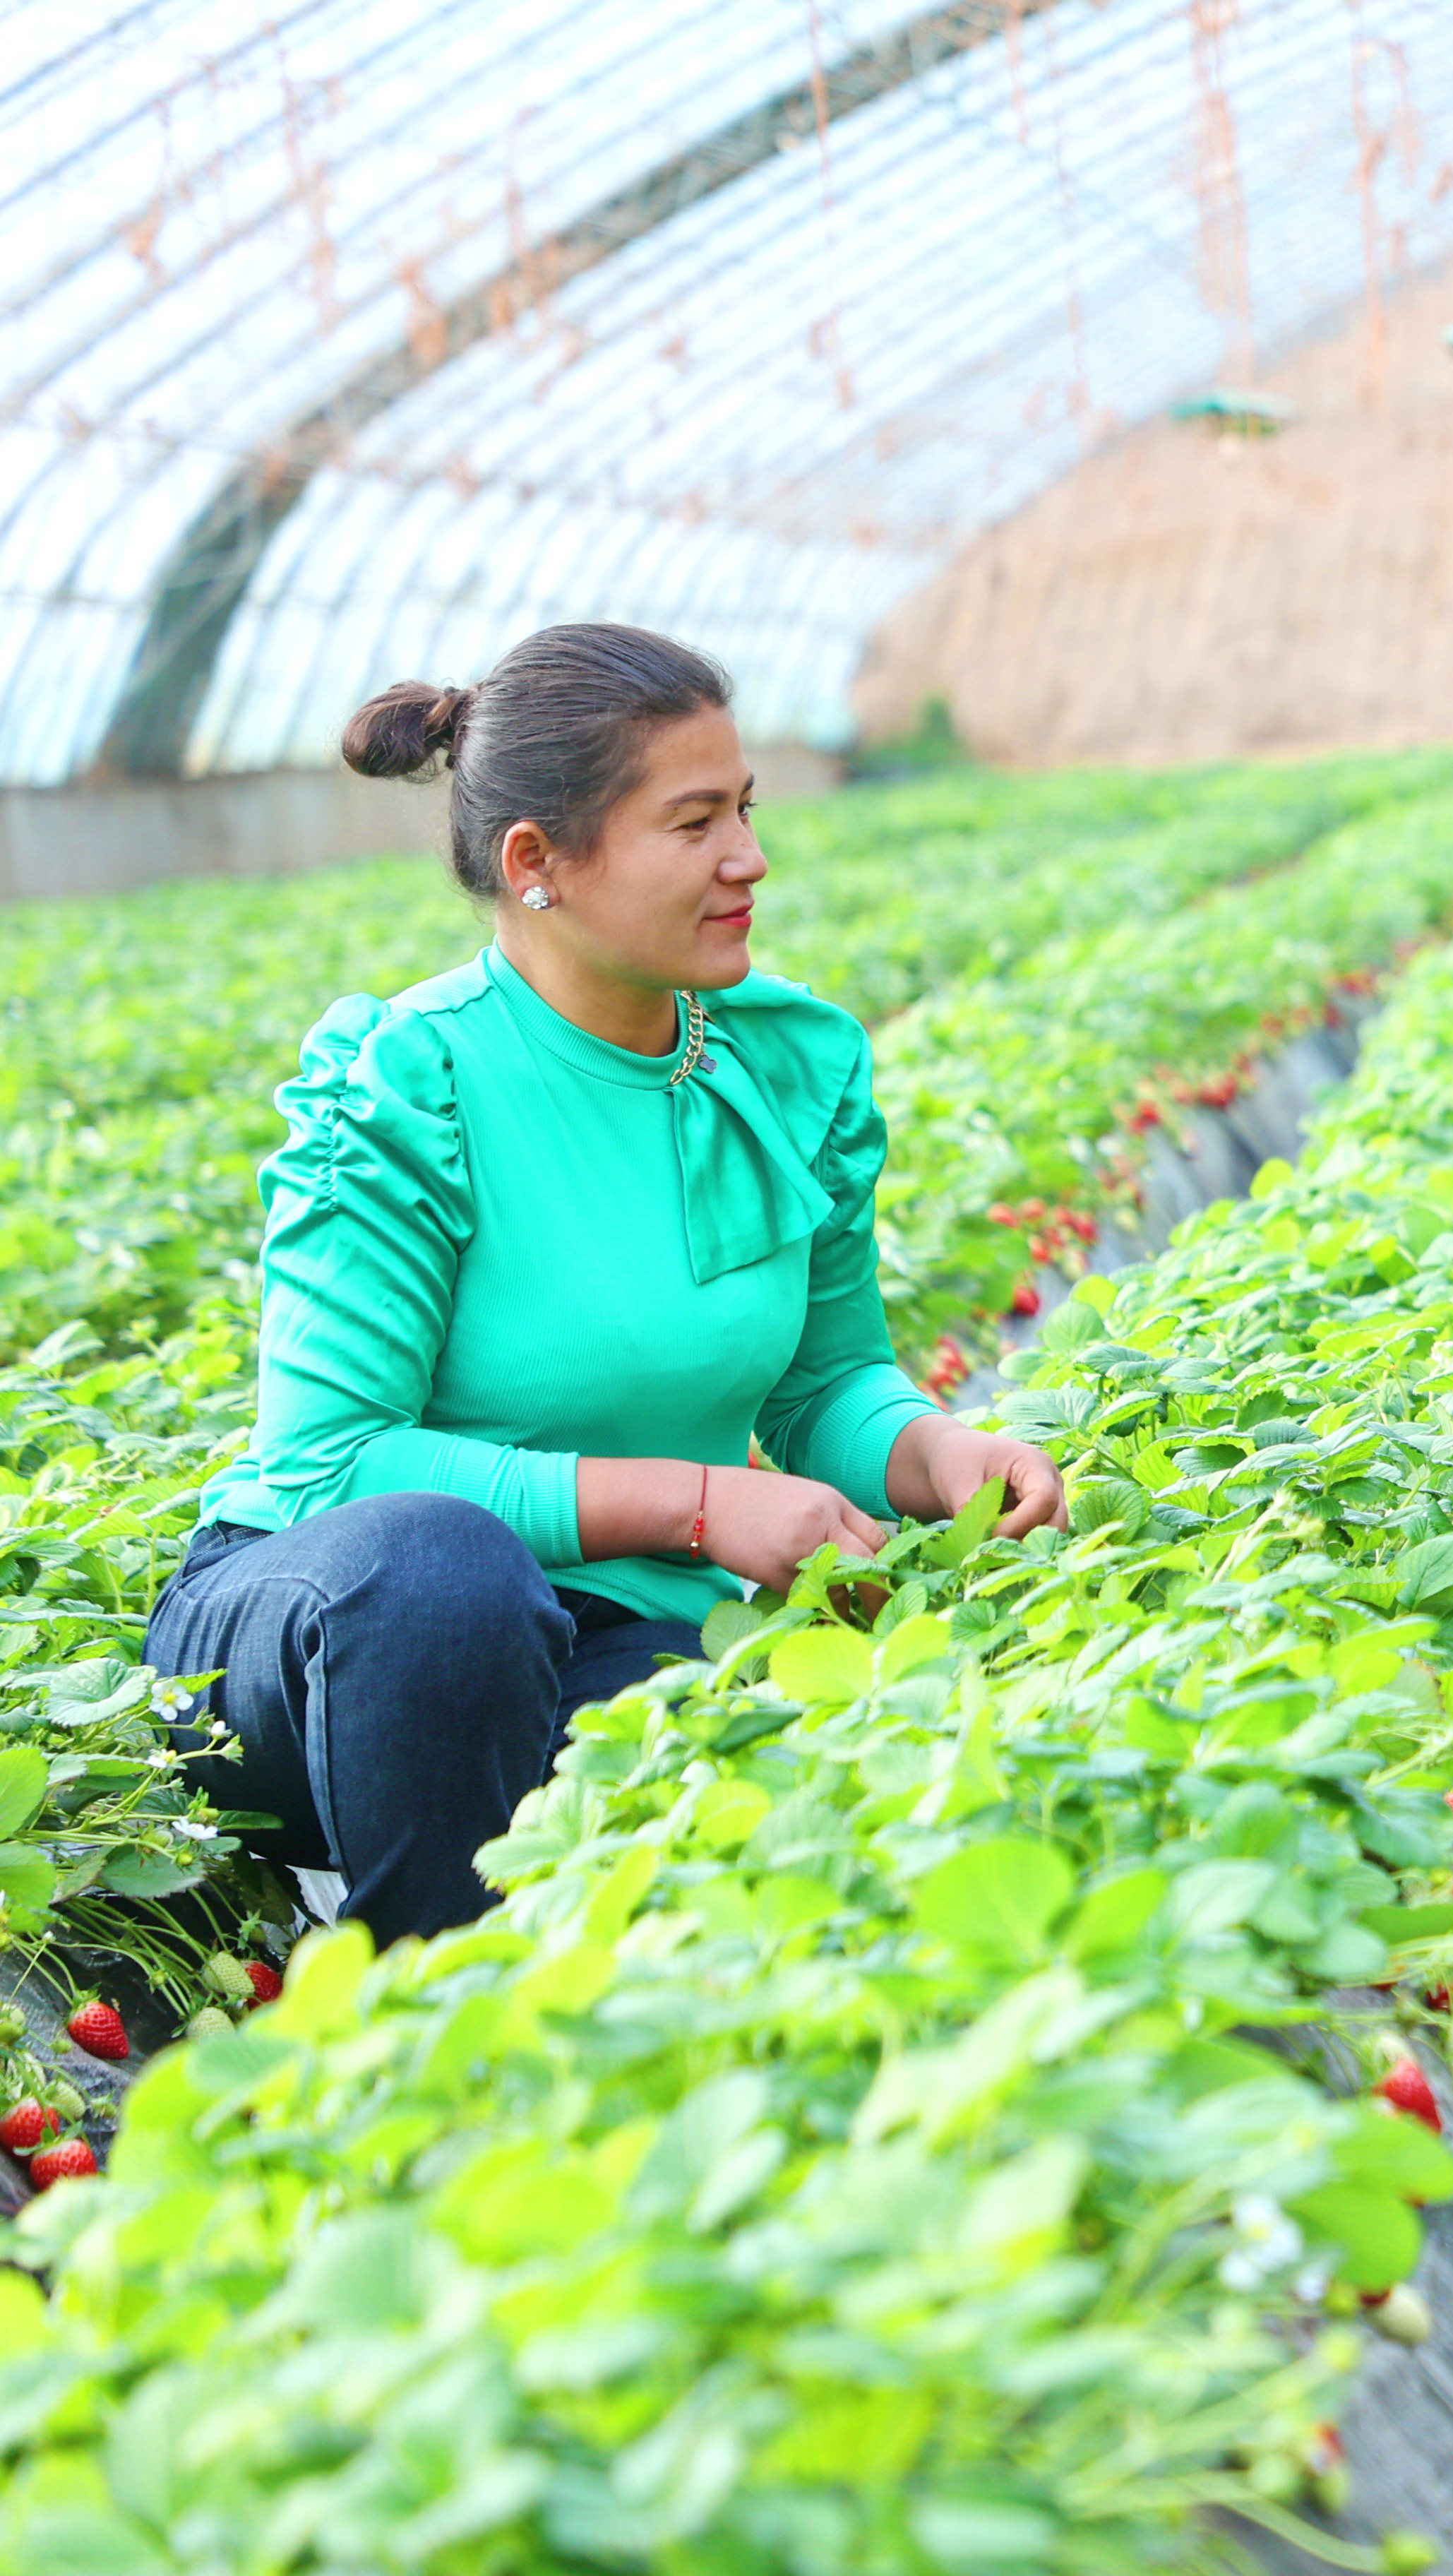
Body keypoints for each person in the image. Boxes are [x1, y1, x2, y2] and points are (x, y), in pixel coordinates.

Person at [148, 624, 1065, 1945]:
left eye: (744, 809)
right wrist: (696, 1503)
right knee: (448, 1578)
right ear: (538, 864)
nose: (750, 856)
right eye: (694, 822)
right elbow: (329, 1465)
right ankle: (430, 2032)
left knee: (748, 1757)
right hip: (325, 1640)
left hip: (613, 1624)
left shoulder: (788, 1064)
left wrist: (941, 1456)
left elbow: (825, 1386)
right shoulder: (413, 1083)